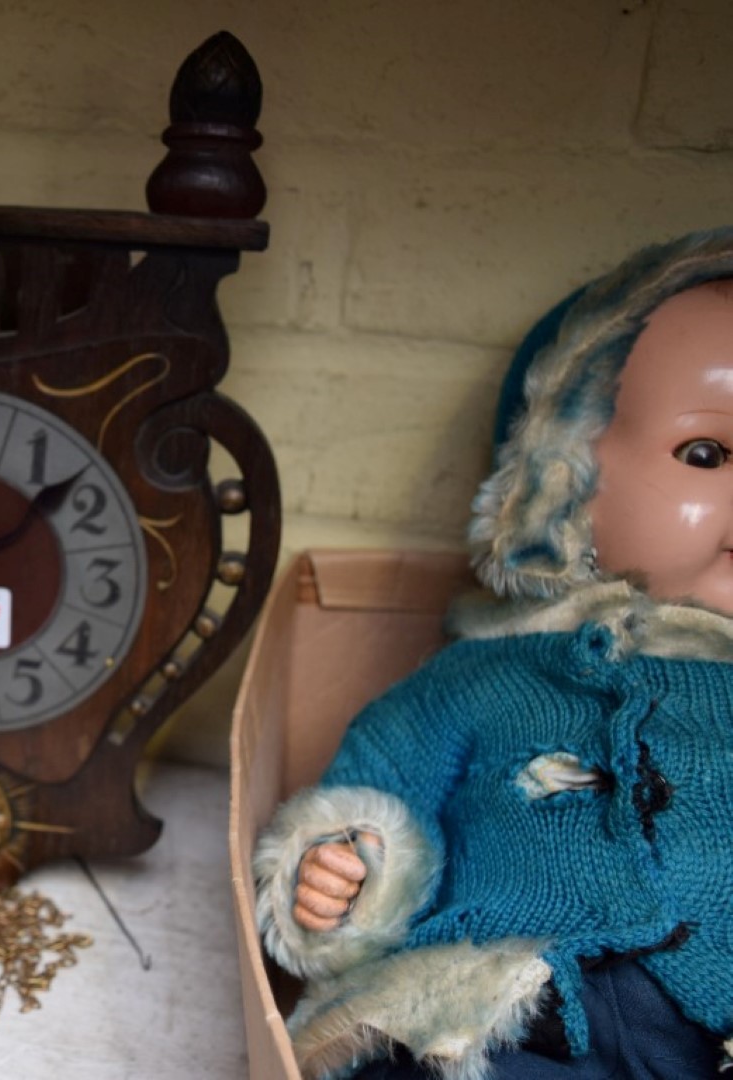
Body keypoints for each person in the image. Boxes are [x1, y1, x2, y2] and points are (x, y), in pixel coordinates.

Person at [253, 229, 733, 1079]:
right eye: (706, 454)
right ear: (561, 485)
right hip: (505, 1014)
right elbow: (379, 793)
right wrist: (348, 869)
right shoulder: (485, 678)